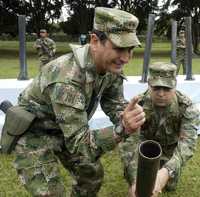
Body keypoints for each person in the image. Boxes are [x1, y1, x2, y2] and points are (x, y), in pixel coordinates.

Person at [2, 7, 145, 196]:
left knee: (91, 173)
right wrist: (122, 128)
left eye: (130, 49)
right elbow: (81, 146)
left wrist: (127, 116)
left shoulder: (111, 67)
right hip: (34, 134)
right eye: (119, 48)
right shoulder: (66, 79)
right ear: (95, 41)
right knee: (52, 193)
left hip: (66, 130)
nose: (126, 58)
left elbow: (113, 102)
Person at [119, 62, 199, 197]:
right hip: (144, 149)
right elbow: (128, 143)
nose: (161, 94)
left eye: (166, 89)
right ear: (149, 85)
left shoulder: (186, 107)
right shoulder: (139, 105)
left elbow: (187, 144)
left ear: (175, 87)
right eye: (156, 88)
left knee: (169, 186)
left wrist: (166, 172)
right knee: (140, 186)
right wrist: (135, 181)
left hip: (169, 150)